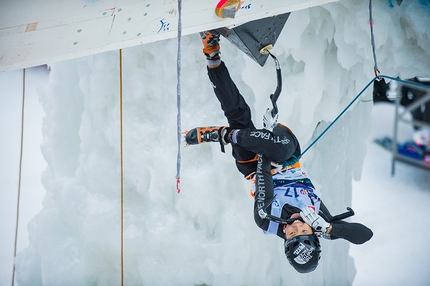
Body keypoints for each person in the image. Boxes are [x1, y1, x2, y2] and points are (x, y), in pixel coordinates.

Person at [185, 30, 373, 273]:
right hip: (288, 152)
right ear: (312, 233)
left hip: (256, 167)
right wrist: (329, 229)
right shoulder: (321, 221)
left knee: (239, 117)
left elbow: (263, 173)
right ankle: (226, 135)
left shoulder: (266, 218)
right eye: (303, 231)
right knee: (280, 151)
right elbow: (364, 235)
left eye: (291, 235)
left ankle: (212, 53)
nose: (295, 227)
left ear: (284, 240)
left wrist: (262, 138)